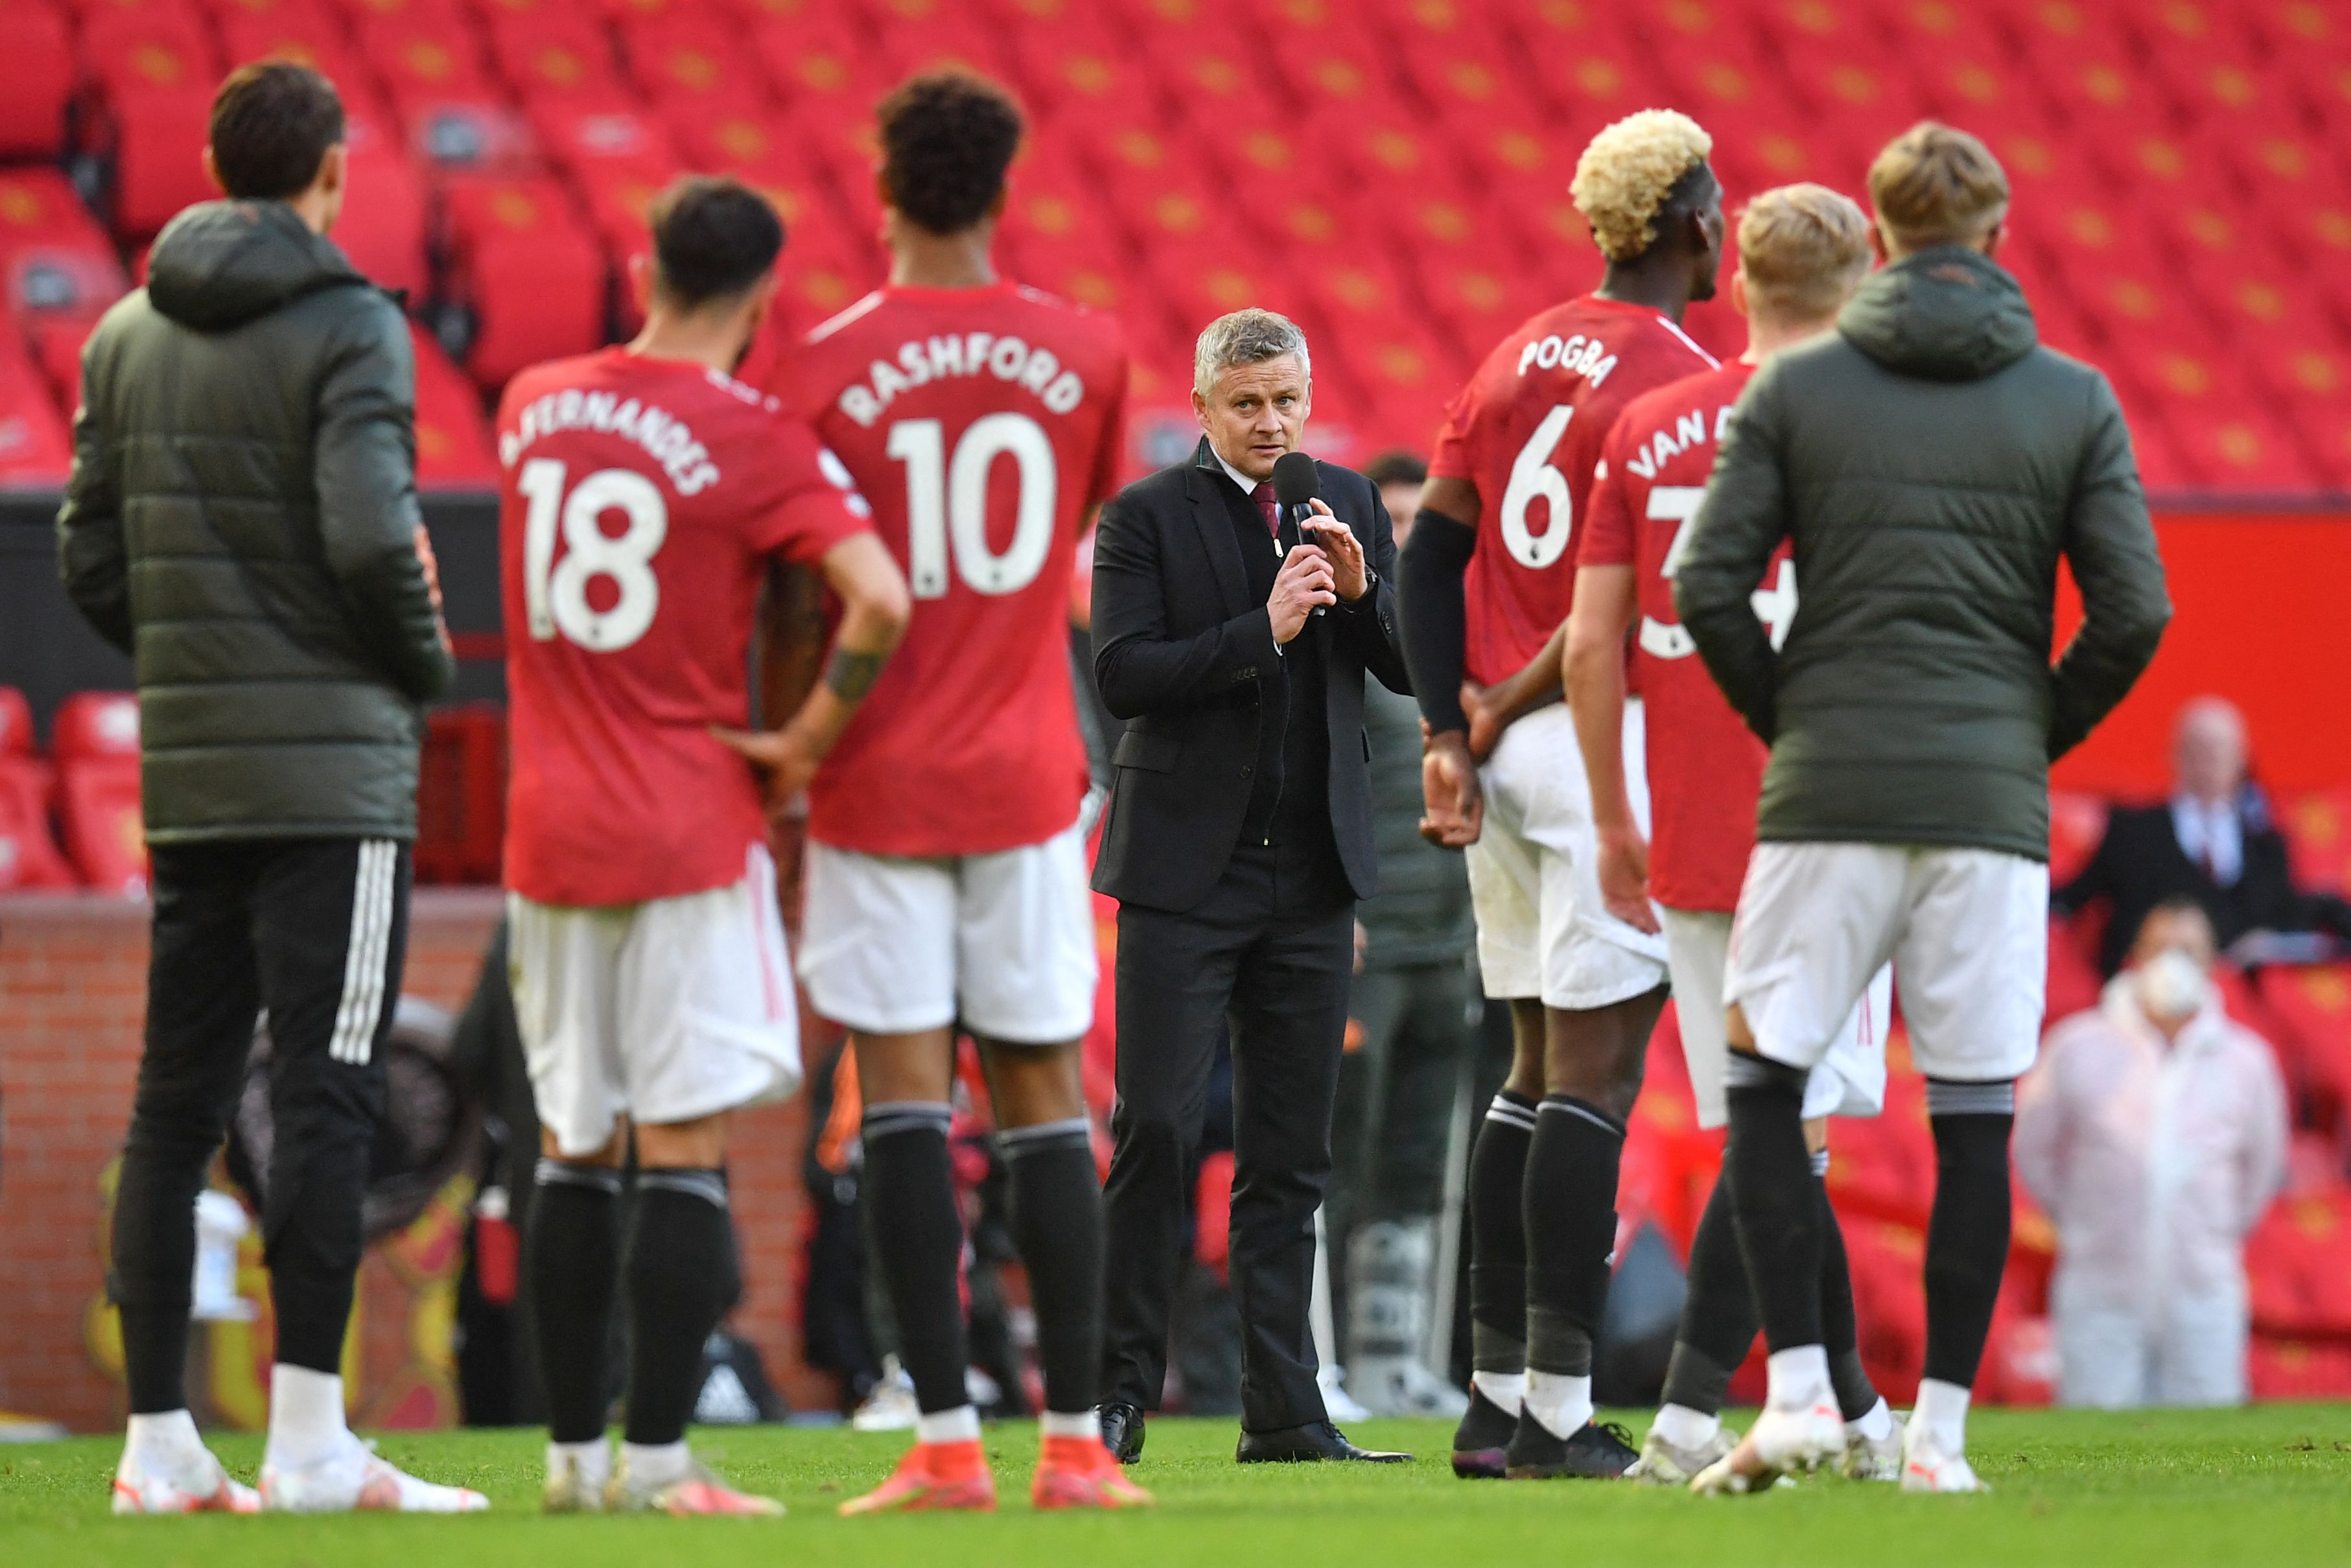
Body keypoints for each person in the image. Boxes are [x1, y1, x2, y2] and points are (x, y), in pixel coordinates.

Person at [1675, 121, 2171, 1494]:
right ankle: (1938, 1440)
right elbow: (2134, 610)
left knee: (1761, 1078)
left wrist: (1792, 720)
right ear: (1998, 236)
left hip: (1825, 790)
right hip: (1986, 812)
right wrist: (2026, 735)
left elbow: (1705, 583)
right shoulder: (2073, 397)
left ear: (1879, 238)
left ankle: (1794, 1396)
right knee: (1971, 1115)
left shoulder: (1798, 387)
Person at [58, 62, 482, 1514]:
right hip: (332, 779)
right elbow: (370, 535)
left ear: (214, 166)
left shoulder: (123, 329)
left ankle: (157, 1447)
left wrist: (197, 657)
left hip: (191, 768)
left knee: (173, 1100)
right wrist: (418, 664)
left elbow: (89, 558)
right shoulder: (354, 321)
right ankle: (308, 1446)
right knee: (326, 1092)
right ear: (333, 172)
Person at [500, 175, 909, 1515]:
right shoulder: (751, 434)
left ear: (644, 272)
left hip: (546, 827)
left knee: (570, 1141)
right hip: (683, 824)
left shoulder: (532, 404)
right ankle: (665, 1463)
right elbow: (876, 595)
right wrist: (800, 742)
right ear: (762, 298)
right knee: (678, 1145)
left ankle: (570, 1462)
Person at [766, 71, 1145, 1514]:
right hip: (1026, 772)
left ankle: (939, 1441)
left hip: (875, 780)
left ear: (881, 190)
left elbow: (801, 596)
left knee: (904, 1105)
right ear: (1001, 189)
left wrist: (792, 751)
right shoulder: (1087, 351)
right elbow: (1069, 549)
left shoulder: (817, 367)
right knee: (1045, 1094)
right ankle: (1078, 1448)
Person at [1396, 108, 1726, 1482]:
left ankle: (1488, 1401)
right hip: (1596, 745)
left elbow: (1427, 554)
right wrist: (1499, 707)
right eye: (1716, 203)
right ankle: (1553, 1410)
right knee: (1596, 1079)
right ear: (1688, 223)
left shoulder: (1513, 353)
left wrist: (1447, 725)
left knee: (1528, 1073)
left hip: (1497, 753)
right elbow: (1620, 606)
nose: (1724, 224)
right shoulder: (1684, 381)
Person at [1563, 183, 1902, 1485]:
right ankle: (1818, 1411)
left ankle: (1753, 1417)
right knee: (1787, 1136)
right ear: (1860, 280)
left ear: (1740, 278)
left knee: (1767, 1132)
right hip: (1840, 813)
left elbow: (1591, 646)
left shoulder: (1646, 428)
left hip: (1695, 818)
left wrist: (1613, 814)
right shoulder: (1877, 427)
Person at [1092, 307, 1412, 1466]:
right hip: (1185, 871)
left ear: (1307, 396)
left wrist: (1365, 595)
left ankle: (1283, 1410)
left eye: (1285, 399)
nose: (1270, 421)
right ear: (1203, 406)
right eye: (1246, 403)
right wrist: (1259, 630)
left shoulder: (1348, 499)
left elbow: (1409, 667)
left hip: (1312, 872)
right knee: (1157, 1127)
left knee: (1290, 1154)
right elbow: (1122, 675)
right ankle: (1117, 1393)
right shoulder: (1142, 516)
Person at [1328, 449, 1477, 1420]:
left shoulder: (1463, 639)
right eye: (1395, 520)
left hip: (1446, 945)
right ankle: (1314, 1364)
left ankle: (1392, 1364)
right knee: (1335, 1154)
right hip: (1362, 945)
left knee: (1419, 1166)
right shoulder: (1337, 640)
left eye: (1426, 520)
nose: (1411, 537)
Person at [2017, 899, 2289, 1409]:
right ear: (2136, 956)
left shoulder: (2246, 1060)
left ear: (2211, 962)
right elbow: (2034, 1147)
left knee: (2206, 1440)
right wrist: (2080, 1220)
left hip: (2203, 1289)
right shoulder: (2076, 1045)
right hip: (2100, 1285)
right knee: (2094, 1438)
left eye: (2187, 950)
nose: (2173, 961)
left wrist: (2214, 1230)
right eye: (2161, 947)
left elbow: (2260, 1167)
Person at [2055, 696, 2351, 975]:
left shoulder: (2266, 844)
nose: (2208, 762)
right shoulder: (2132, 830)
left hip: (2236, 999)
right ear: (2175, 755)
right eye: (2197, 749)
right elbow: (2073, 898)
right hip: (2144, 991)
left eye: (2219, 750)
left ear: (2241, 761)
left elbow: (2287, 917)